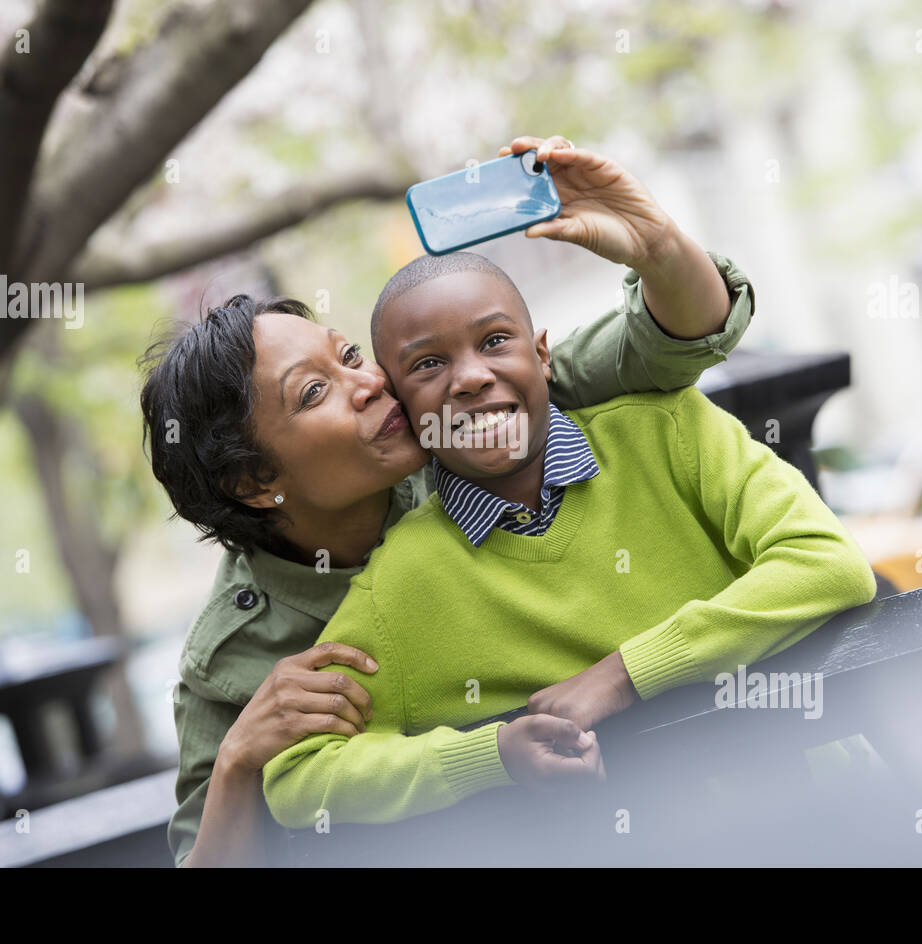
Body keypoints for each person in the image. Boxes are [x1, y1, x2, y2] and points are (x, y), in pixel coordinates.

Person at [141, 135, 756, 866]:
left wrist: (654, 244)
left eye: (345, 357)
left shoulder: (460, 420)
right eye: (314, 394)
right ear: (253, 483)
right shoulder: (234, 659)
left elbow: (673, 340)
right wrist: (242, 759)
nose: (368, 384)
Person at [259, 192, 879, 828]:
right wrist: (489, 754)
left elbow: (829, 565)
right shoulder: (404, 582)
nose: (470, 377)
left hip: (843, 821)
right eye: (428, 364)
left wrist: (622, 676)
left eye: (496, 340)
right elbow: (299, 777)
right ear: (406, 412)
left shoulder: (670, 430)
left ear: (543, 355)